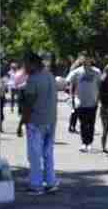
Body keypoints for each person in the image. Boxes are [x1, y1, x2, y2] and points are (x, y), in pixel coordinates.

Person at [20, 52, 60, 195]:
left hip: (36, 122)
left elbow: (29, 104)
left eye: (26, 63)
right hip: (51, 120)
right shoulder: (49, 76)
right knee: (48, 153)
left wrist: (21, 123)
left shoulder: (33, 79)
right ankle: (51, 182)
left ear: (33, 63)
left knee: (34, 155)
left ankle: (36, 185)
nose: (24, 67)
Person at [66, 57, 102, 153]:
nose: (87, 61)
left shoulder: (97, 72)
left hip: (93, 101)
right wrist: (71, 97)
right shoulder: (77, 72)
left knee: (91, 124)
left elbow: (99, 85)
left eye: (89, 59)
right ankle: (84, 143)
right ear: (82, 61)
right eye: (85, 60)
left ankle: (89, 143)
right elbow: (70, 83)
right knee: (83, 124)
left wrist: (98, 99)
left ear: (91, 61)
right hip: (80, 102)